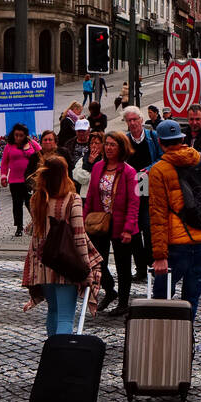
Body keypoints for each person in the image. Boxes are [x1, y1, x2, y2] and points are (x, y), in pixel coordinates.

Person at [147, 119, 201, 321]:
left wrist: (159, 255)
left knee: (161, 297)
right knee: (191, 299)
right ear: (183, 139)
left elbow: (158, 214)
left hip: (176, 243)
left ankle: (163, 338)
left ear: (160, 142)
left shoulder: (159, 170)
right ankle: (186, 340)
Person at [22, 156, 101, 336]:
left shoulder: (37, 199)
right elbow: (79, 236)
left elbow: (34, 231)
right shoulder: (73, 199)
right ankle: (61, 356)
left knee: (53, 311)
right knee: (66, 316)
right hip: (67, 264)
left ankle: (52, 349)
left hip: (45, 263)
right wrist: (87, 269)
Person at [86, 131, 139, 316]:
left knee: (123, 266)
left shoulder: (129, 172)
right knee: (97, 262)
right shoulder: (98, 167)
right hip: (100, 223)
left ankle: (123, 302)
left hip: (121, 226)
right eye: (106, 144)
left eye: (112, 145)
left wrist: (128, 229)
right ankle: (110, 290)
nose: (108, 148)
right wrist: (85, 221)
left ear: (121, 147)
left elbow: (134, 202)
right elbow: (91, 196)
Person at [123, 106, 163, 283]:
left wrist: (148, 170)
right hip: (131, 186)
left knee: (148, 227)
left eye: (135, 120)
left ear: (141, 120)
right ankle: (140, 267)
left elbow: (162, 158)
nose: (132, 123)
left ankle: (151, 264)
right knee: (134, 229)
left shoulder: (152, 137)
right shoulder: (124, 140)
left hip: (148, 184)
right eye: (129, 121)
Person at [0, 124, 40, 237]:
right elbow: (4, 162)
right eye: (16, 135)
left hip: (29, 179)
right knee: (17, 204)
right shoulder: (9, 146)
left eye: (21, 135)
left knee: (30, 202)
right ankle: (19, 227)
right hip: (14, 180)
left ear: (25, 136)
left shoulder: (32, 144)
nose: (18, 138)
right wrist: (3, 176)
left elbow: (42, 155)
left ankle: (37, 223)